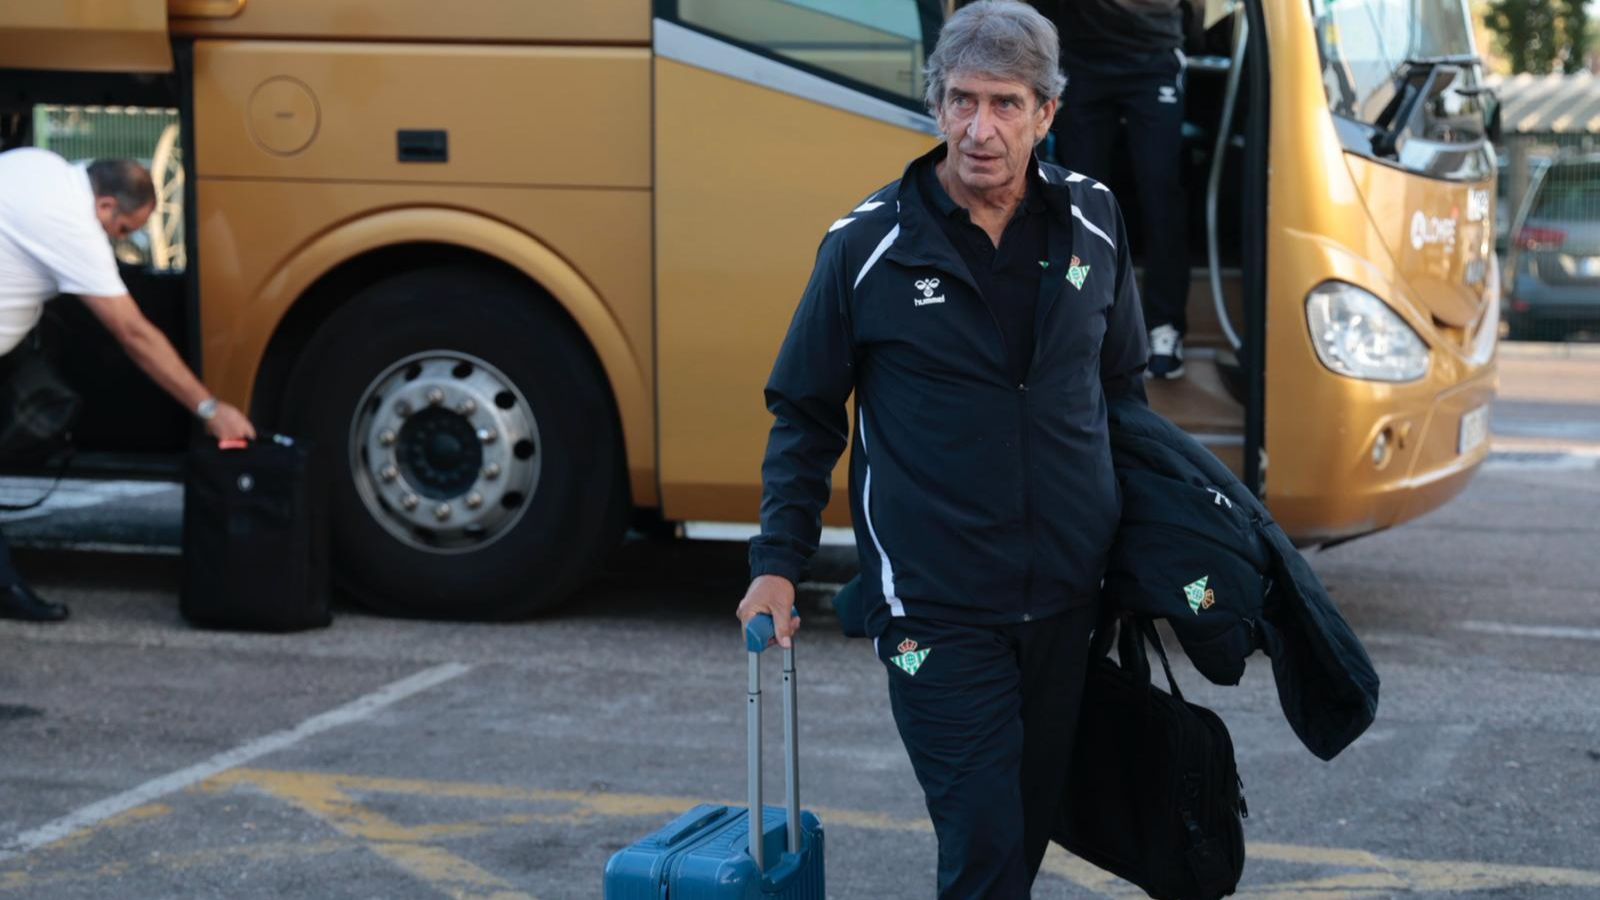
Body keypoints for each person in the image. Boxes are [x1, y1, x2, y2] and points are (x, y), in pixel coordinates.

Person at [735, 2, 1149, 895]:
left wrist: (1158, 552)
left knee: (1022, 837)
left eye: (1005, 104)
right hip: (933, 610)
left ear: (1047, 112)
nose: (979, 129)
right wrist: (776, 563)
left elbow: (1123, 395)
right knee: (985, 840)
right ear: (936, 106)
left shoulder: (1095, 219)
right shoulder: (866, 246)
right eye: (961, 100)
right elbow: (806, 412)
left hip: (1070, 599)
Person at [0, 148, 255, 622]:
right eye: (121, 231)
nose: (118, 243)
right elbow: (134, 334)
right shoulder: (73, 225)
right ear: (105, 205)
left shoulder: (40, 164)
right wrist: (210, 409)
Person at [1052, 0, 1192, 379]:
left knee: (1161, 193)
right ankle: (1085, 316)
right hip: (1080, 56)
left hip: (1153, 55)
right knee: (1079, 200)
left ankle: (1164, 325)